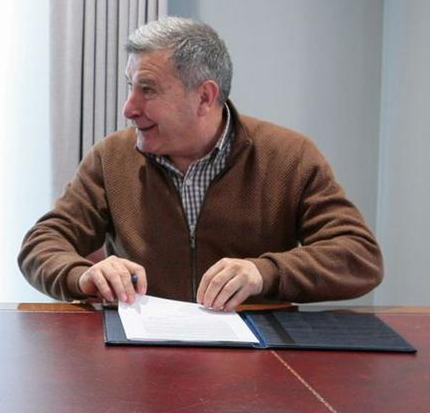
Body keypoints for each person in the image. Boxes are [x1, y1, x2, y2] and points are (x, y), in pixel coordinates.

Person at [19, 17, 382, 310]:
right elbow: (41, 244)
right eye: (130, 87)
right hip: (140, 360)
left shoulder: (288, 156)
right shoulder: (111, 157)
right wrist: (81, 275)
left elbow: (359, 257)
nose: (129, 108)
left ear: (205, 96)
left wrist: (265, 272)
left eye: (147, 89)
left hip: (257, 366)